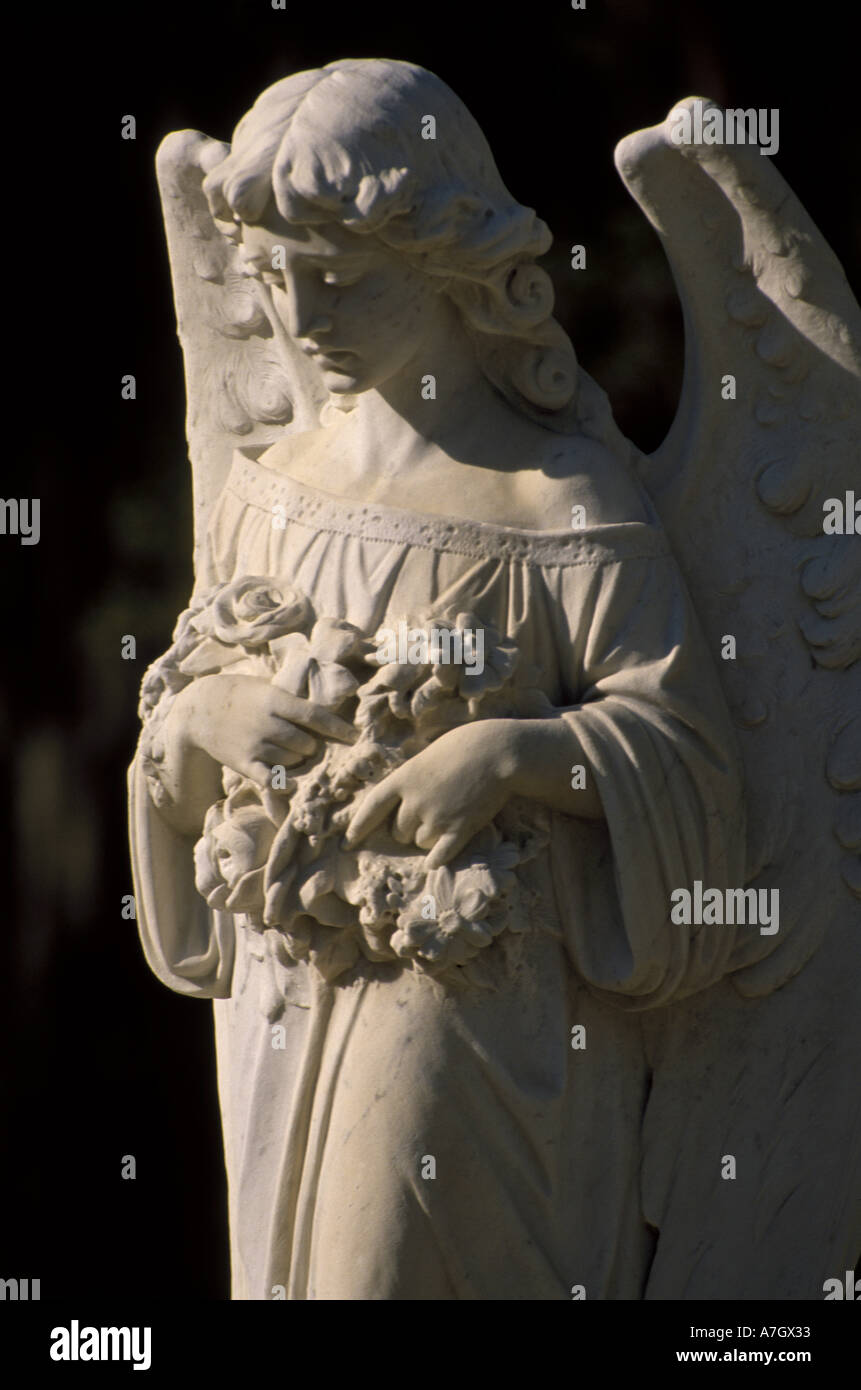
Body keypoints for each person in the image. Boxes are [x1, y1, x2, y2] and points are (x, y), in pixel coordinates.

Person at [129, 59, 747, 1299]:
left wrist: (515, 755)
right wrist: (198, 724)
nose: (299, 316)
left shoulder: (559, 504)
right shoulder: (272, 490)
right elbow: (173, 737)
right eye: (273, 278)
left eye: (341, 278)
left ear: (445, 257)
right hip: (282, 1004)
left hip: (475, 1030)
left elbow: (697, 780)